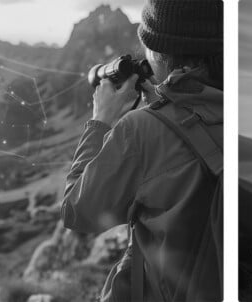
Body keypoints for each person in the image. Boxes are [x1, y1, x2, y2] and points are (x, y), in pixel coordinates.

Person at [60, 0, 223, 300]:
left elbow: (76, 211)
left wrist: (101, 120)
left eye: (148, 45)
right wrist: (163, 103)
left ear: (165, 54)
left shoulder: (141, 129)